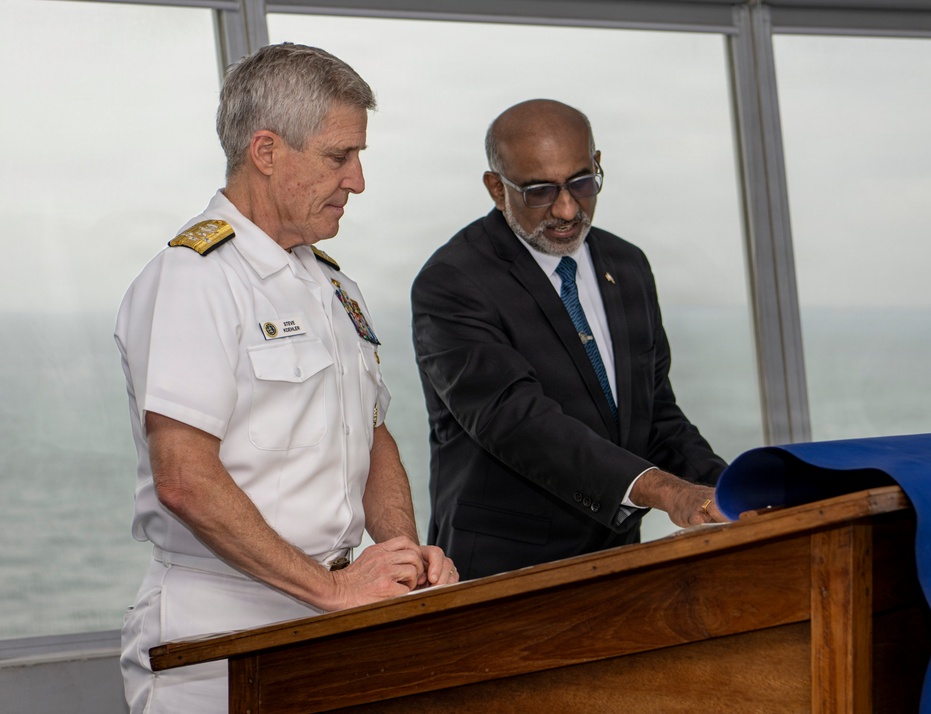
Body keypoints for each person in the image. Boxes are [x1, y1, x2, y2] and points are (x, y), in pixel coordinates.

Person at [115, 43, 457, 713]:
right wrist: (332, 590)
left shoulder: (329, 284)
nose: (357, 180)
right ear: (266, 152)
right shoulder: (195, 278)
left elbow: (372, 436)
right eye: (339, 157)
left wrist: (398, 555)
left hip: (330, 616)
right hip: (220, 628)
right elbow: (184, 478)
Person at [411, 98, 728, 580]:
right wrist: (663, 490)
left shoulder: (627, 265)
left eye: (581, 182)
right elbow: (518, 421)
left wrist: (732, 490)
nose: (566, 208)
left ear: (598, 165)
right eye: (539, 191)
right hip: (503, 573)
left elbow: (655, 414)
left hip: (618, 561)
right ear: (497, 189)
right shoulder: (453, 282)